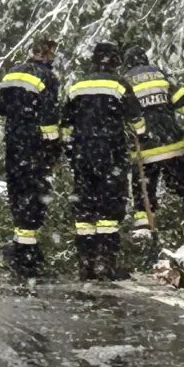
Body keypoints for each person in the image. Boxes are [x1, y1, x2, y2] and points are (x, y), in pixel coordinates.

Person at [61, 40, 144, 282]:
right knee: (109, 209)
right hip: (111, 155)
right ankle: (105, 263)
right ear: (115, 61)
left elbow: (65, 124)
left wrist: (70, 149)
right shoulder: (119, 85)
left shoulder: (77, 86)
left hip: (82, 155)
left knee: (85, 208)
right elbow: (137, 120)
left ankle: (85, 261)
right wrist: (141, 133)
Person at [0, 35, 65, 279]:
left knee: (17, 193)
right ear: (45, 54)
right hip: (34, 146)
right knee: (34, 196)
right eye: (52, 53)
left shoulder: (12, 73)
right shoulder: (47, 78)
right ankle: (27, 252)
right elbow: (49, 116)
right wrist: (54, 146)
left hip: (14, 143)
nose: (53, 58)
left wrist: (18, 112)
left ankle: (21, 247)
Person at [123, 43, 184, 242]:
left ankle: (143, 235)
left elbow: (121, 117)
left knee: (143, 195)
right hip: (173, 145)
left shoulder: (125, 82)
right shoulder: (162, 76)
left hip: (144, 151)